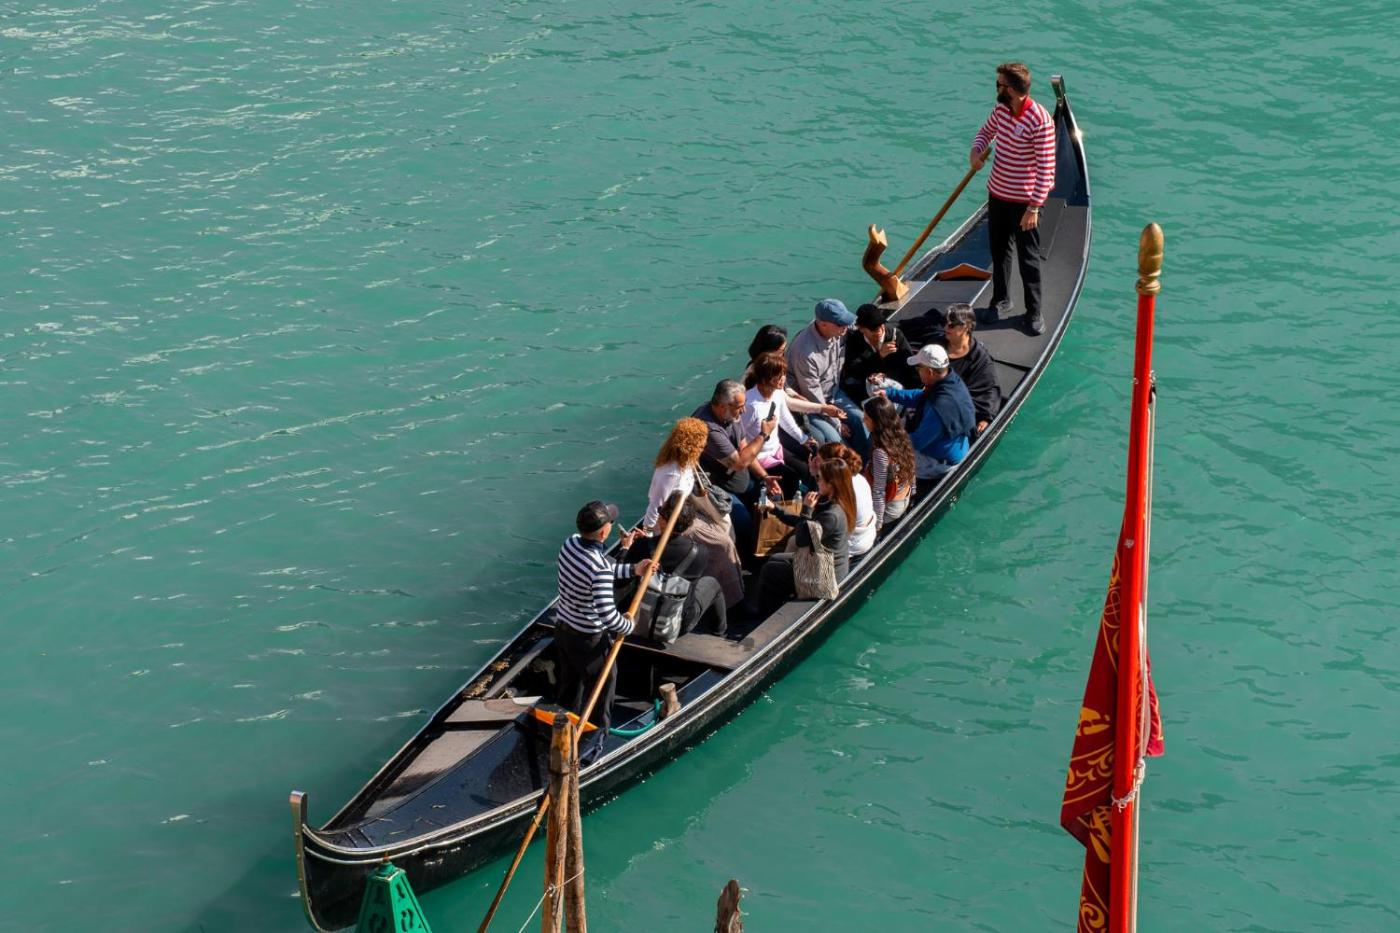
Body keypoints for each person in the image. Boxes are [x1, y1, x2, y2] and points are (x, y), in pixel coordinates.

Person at [554, 500, 656, 758]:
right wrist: (629, 625)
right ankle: (597, 744)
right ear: (603, 533)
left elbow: (602, 569)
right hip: (588, 640)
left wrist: (633, 569)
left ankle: (560, 731)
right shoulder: (598, 568)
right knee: (603, 689)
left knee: (569, 687)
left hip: (563, 630)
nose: (612, 524)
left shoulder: (570, 544)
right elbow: (609, 617)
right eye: (610, 522)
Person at [969, 62, 1056, 335]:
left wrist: (1034, 207)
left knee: (1028, 258)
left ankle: (1034, 312)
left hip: (1024, 203)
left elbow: (1046, 169)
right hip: (997, 195)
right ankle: (1000, 300)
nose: (996, 88)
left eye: (999, 84)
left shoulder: (1040, 120)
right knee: (999, 252)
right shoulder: (1001, 111)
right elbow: (985, 133)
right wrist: (976, 152)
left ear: (1012, 89)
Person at [644, 417, 745, 608]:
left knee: (726, 533)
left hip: (689, 514)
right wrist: (649, 534)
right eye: (701, 443)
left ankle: (725, 587)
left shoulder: (685, 463)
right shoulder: (670, 473)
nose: (704, 446)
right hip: (677, 525)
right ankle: (735, 600)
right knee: (724, 545)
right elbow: (656, 505)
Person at [755, 458, 855, 615]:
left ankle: (765, 614)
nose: (817, 481)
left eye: (819, 478)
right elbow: (803, 525)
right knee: (776, 559)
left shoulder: (832, 515)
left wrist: (807, 510)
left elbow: (802, 539)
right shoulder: (833, 502)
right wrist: (775, 508)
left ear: (831, 484)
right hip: (824, 560)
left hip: (826, 574)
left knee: (770, 571)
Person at [692, 379, 782, 551]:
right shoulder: (709, 429)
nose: (744, 410)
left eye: (744, 404)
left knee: (773, 499)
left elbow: (745, 450)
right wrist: (764, 434)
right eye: (739, 406)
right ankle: (747, 558)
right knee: (744, 523)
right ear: (721, 406)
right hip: (717, 487)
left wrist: (764, 477)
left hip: (740, 480)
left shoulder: (732, 415)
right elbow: (739, 463)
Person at [624, 493, 728, 636]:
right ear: (690, 523)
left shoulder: (641, 546)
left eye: (660, 513)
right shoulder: (701, 552)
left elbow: (621, 580)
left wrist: (626, 549)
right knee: (712, 583)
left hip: (638, 617)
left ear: (662, 520)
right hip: (678, 624)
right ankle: (720, 632)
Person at [875, 345, 976, 481]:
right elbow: (920, 396)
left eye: (918, 368)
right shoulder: (951, 382)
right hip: (952, 445)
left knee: (882, 457)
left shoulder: (939, 409)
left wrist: (886, 436)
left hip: (939, 463)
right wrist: (889, 394)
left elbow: (916, 442)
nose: (917, 371)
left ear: (929, 372)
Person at [785, 299, 870, 457]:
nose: (845, 328)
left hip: (833, 392)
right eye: (841, 324)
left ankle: (868, 461)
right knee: (835, 440)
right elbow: (812, 393)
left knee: (860, 419)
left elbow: (857, 324)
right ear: (823, 324)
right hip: (811, 404)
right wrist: (836, 423)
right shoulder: (805, 353)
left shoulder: (837, 329)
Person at [741, 352, 817, 497]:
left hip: (776, 448)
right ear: (765, 378)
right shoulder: (750, 405)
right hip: (760, 456)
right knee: (790, 478)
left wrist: (803, 439)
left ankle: (811, 499)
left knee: (806, 469)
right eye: (778, 375)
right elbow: (739, 436)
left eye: (784, 374)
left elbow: (785, 419)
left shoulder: (777, 393)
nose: (783, 378)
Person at [936, 303, 1002, 434]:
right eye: (945, 323)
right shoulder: (936, 344)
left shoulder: (980, 358)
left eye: (951, 325)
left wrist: (985, 417)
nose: (945, 327)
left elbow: (990, 389)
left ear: (966, 327)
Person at [841, 303, 916, 403]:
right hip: (867, 383)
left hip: (894, 381)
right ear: (861, 328)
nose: (880, 330)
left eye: (881, 325)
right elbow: (853, 369)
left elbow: (909, 365)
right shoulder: (855, 339)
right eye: (874, 328)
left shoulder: (895, 335)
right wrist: (878, 357)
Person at [861, 397, 916, 529]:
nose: (863, 420)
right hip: (904, 497)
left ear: (877, 422)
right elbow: (911, 465)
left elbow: (879, 492)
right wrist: (913, 491)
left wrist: (877, 524)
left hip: (889, 509)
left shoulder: (880, 453)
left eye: (866, 418)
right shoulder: (900, 434)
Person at [814, 443, 877, 557]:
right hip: (868, 537)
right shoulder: (859, 478)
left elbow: (813, 527)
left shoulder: (839, 491)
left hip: (852, 546)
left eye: (819, 460)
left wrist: (814, 475)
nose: (815, 463)